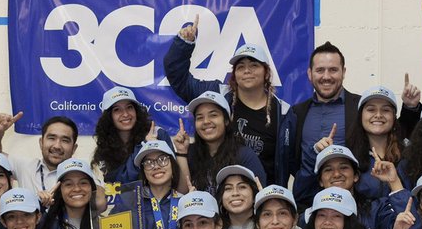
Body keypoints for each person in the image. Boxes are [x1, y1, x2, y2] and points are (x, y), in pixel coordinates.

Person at [290, 44, 421, 206]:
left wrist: (410, 108)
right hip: (312, 205)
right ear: (310, 74)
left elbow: (395, 132)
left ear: (343, 72)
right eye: (320, 70)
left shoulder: (361, 106)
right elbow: (290, 162)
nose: (326, 76)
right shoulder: (297, 112)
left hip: (359, 204)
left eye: (333, 70)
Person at [164, 21, 294, 184]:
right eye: (241, 67)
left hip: (263, 198)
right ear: (234, 74)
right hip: (219, 193)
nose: (247, 71)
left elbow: (291, 162)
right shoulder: (217, 94)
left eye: (254, 65)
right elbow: (179, 79)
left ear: (266, 72)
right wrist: (183, 44)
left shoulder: (283, 114)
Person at [90, 87, 184, 190]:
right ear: (109, 117)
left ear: (136, 110)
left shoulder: (157, 134)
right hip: (125, 203)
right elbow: (116, 182)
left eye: (129, 107)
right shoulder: (105, 145)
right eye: (117, 110)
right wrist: (144, 146)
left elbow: (174, 174)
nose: (125, 114)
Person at [0, 113, 79, 200]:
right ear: (41, 143)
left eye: (65, 140)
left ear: (74, 148)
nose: (57, 146)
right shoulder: (26, 166)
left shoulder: (82, 175)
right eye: (52, 138)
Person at [184, 91, 266, 193]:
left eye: (213, 115)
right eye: (200, 117)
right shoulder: (190, 152)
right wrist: (180, 152)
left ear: (226, 121)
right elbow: (181, 192)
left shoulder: (244, 155)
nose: (206, 121)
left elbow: (259, 195)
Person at [215, 165, 260, 229]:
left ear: (254, 195)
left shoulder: (269, 226)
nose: (235, 193)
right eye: (228, 188)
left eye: (242, 187)